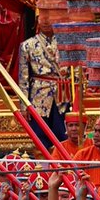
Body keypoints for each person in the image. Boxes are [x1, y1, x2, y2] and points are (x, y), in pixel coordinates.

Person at [18, 14, 70, 145]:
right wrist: (24, 106)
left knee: (64, 134)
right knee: (41, 137)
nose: (46, 22)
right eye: (42, 19)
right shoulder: (27, 46)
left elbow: (74, 71)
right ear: (37, 22)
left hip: (63, 95)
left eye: (49, 18)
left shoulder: (66, 44)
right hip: (38, 95)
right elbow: (23, 78)